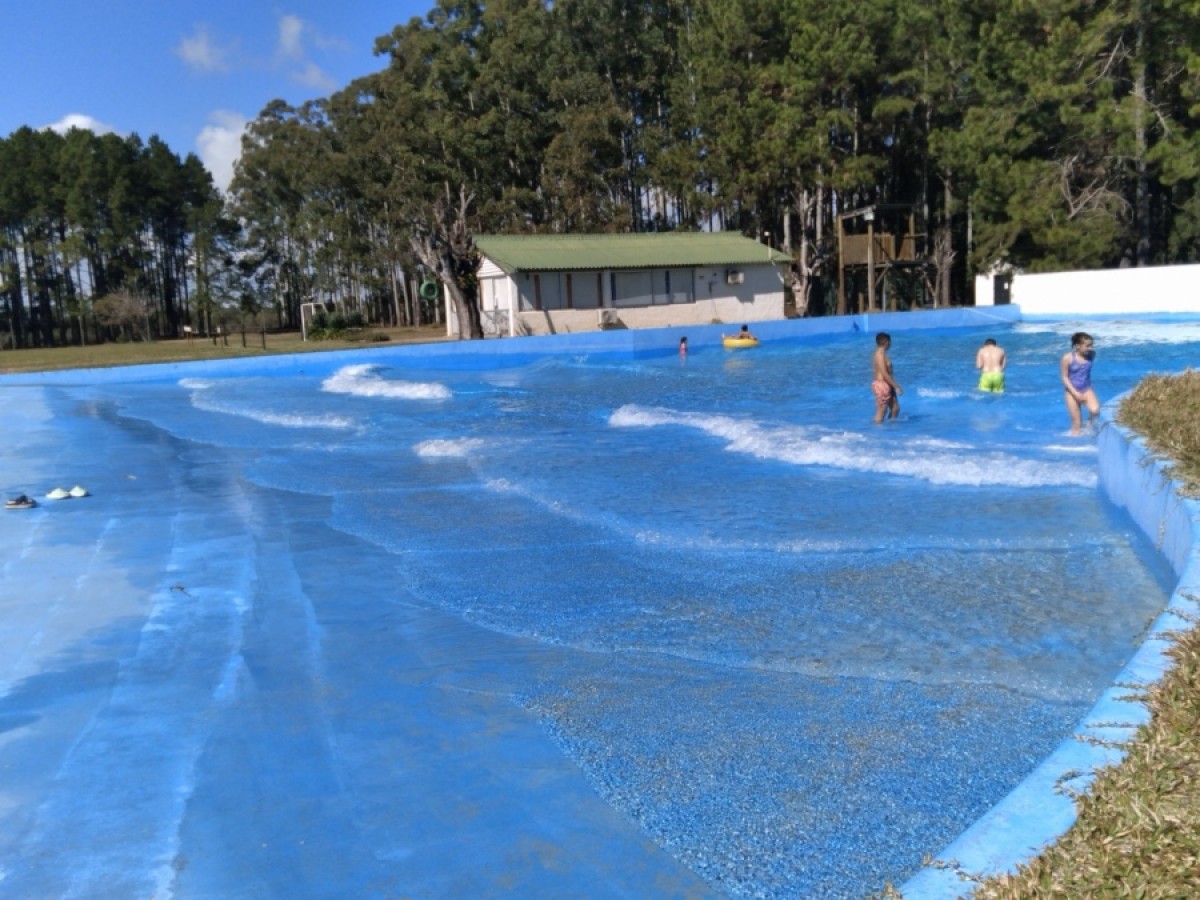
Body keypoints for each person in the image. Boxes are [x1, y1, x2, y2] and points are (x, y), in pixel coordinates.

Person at [1060, 331, 1100, 434]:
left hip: (1086, 389)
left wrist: (1077, 335)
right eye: (1087, 346)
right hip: (1071, 391)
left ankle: (1088, 427)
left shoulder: (1092, 355)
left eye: (1091, 345)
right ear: (1077, 346)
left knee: (1095, 411)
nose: (1090, 348)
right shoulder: (1067, 358)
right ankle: (1074, 442)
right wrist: (1075, 393)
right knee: (1077, 422)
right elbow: (1064, 377)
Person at [871, 332, 902, 423]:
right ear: (887, 342)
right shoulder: (879, 354)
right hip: (882, 385)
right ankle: (876, 431)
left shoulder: (882, 354)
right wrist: (896, 386)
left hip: (888, 384)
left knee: (895, 408)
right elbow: (884, 373)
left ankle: (890, 430)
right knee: (882, 410)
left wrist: (892, 385)